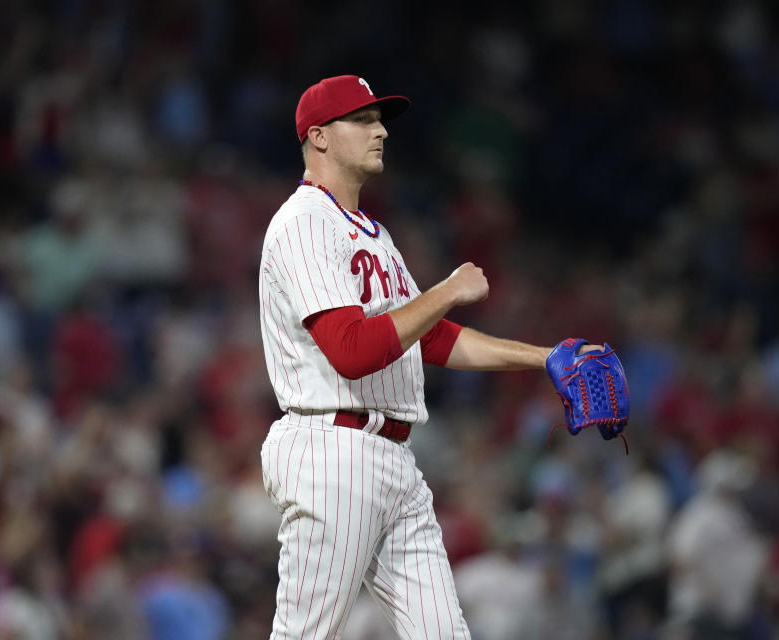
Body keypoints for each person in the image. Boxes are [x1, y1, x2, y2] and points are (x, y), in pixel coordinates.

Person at [257, 74, 603, 639]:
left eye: (380, 120)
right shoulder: (303, 223)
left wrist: (544, 358)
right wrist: (443, 289)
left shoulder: (373, 235)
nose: (380, 132)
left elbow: (431, 338)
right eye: (363, 120)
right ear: (319, 137)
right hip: (333, 450)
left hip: (393, 460)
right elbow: (352, 351)